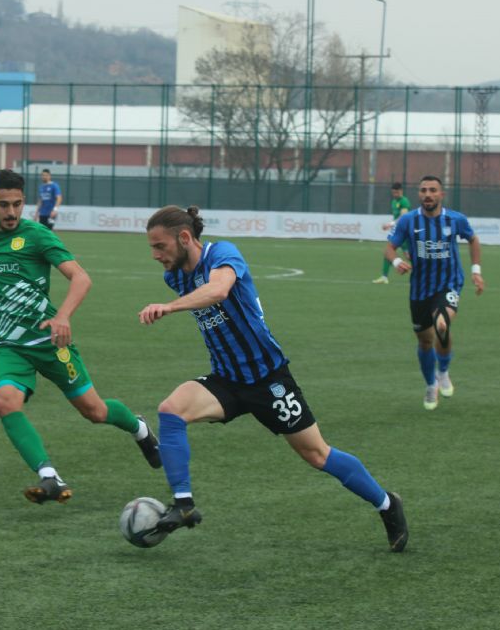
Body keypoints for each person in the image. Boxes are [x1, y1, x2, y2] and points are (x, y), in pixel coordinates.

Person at [139, 205, 408, 552]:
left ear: (185, 237)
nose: (155, 255)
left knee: (317, 455)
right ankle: (183, 503)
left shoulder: (222, 253)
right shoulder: (174, 276)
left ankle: (387, 504)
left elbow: (219, 290)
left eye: (160, 246)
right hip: (227, 380)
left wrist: (170, 307)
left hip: (269, 379)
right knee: (171, 410)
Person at [0, 169, 161, 504]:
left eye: (17, 204)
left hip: (49, 341)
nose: (11, 212)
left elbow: (81, 278)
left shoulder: (37, 235)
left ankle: (139, 428)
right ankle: (48, 476)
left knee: (95, 412)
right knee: (4, 402)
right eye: (4, 205)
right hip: (8, 345)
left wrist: (63, 316)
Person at [385, 176, 485, 410]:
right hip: (420, 289)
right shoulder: (408, 221)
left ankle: (444, 371)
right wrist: (397, 261)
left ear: (441, 194)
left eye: (432, 190)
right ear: (419, 194)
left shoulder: (455, 219)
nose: (427, 194)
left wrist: (476, 271)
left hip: (449, 284)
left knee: (442, 325)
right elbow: (389, 247)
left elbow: (473, 239)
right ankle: (431, 385)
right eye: (423, 190)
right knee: (424, 341)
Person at [373, 182, 411, 283]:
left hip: (404, 232)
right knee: (388, 251)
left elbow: (403, 216)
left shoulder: (404, 201)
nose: (395, 195)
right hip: (397, 232)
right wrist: (392, 225)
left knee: (409, 256)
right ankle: (384, 277)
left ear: (401, 191)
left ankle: (425, 274)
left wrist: (390, 224)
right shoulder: (394, 201)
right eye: (393, 193)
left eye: (397, 193)